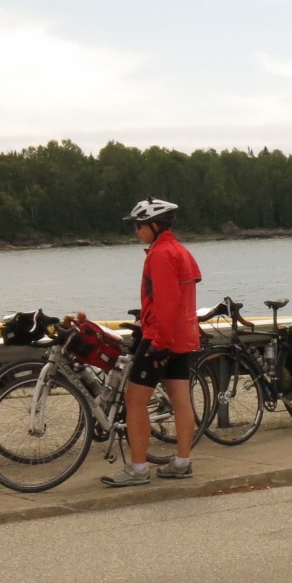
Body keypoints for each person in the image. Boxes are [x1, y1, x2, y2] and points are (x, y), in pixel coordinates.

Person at [102, 198, 202, 487]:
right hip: (182, 337)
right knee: (181, 400)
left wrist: (159, 343)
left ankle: (138, 468)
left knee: (134, 400)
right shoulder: (181, 251)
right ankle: (182, 462)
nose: (136, 231)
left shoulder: (160, 255)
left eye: (139, 225)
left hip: (161, 337)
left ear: (155, 225)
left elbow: (167, 302)